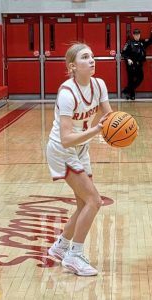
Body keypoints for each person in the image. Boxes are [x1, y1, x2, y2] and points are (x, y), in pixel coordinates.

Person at [46, 43, 112, 276]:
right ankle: (74, 255)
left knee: (85, 203)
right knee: (94, 200)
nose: (92, 60)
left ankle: (60, 246)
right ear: (73, 66)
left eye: (92, 56)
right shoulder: (67, 93)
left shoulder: (99, 84)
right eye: (85, 57)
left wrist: (120, 127)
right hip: (61, 150)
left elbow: (109, 116)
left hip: (81, 148)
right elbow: (65, 139)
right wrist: (97, 131)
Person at [121, 27, 152, 100]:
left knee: (140, 78)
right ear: (133, 35)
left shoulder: (142, 42)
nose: (137, 36)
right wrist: (128, 59)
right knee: (131, 80)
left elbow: (150, 41)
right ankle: (131, 95)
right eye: (136, 35)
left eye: (138, 34)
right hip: (131, 64)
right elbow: (123, 53)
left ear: (140, 35)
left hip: (139, 64)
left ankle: (127, 90)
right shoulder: (129, 43)